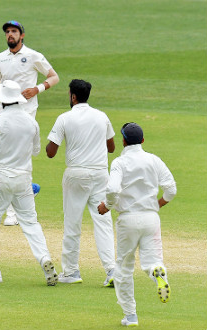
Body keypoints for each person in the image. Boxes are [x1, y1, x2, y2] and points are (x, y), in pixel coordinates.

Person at [0, 80, 57, 285]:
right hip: (24, 178)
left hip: (0, 177)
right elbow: (35, 151)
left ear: (1, 100)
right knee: (31, 223)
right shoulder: (31, 122)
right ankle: (44, 258)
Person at [98, 122, 176, 327]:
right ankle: (157, 271)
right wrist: (157, 204)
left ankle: (131, 316)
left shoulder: (119, 163)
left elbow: (113, 189)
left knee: (123, 268)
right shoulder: (153, 160)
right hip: (151, 218)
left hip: (128, 219)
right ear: (142, 140)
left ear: (123, 141)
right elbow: (171, 189)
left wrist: (107, 206)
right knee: (152, 260)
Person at [45, 79, 116, 286]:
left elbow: (50, 152)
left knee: (72, 223)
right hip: (101, 174)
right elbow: (111, 148)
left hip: (76, 174)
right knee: (103, 224)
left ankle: (72, 272)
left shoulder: (64, 118)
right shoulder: (101, 116)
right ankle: (111, 270)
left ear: (73, 96)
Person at [0, 20, 60, 226]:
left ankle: (13, 212)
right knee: (4, 157)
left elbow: (54, 77)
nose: (10, 35)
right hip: (4, 113)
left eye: (14, 31)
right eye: (7, 32)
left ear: (22, 35)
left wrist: (37, 89)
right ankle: (28, 191)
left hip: (27, 113)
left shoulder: (32, 56)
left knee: (20, 158)